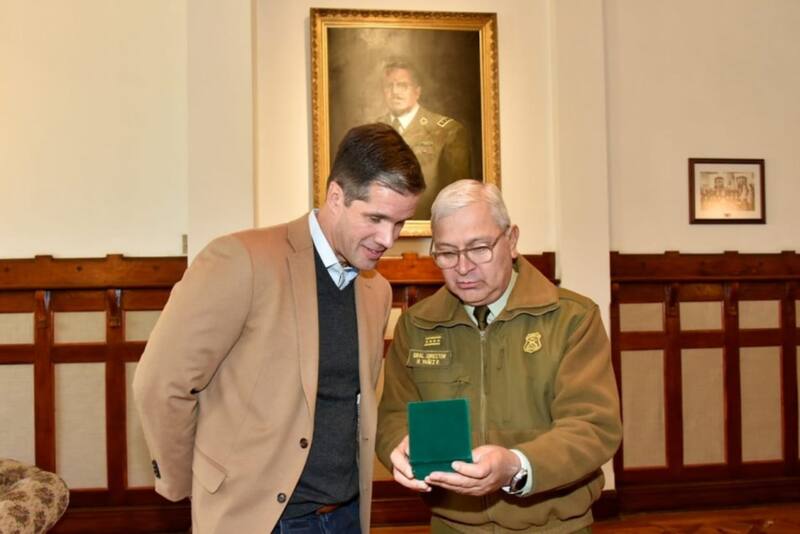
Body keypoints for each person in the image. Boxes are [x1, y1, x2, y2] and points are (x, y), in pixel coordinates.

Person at [133, 123, 425, 534]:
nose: (387, 238)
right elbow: (162, 383)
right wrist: (194, 485)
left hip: (345, 515)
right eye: (376, 218)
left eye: (399, 223)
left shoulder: (376, 291)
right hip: (259, 520)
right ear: (336, 197)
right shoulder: (241, 260)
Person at [376, 179, 622, 533]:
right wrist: (397, 448)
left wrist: (517, 465)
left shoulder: (572, 318)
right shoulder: (417, 325)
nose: (463, 268)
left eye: (478, 248)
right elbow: (394, 416)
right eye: (447, 253)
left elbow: (592, 427)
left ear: (512, 240)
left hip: (553, 525)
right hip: (452, 525)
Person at [377, 60, 472, 220]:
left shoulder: (447, 131)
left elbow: (459, 198)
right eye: (389, 86)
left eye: (402, 85)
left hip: (428, 229)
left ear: (417, 91)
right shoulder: (372, 130)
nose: (395, 92)